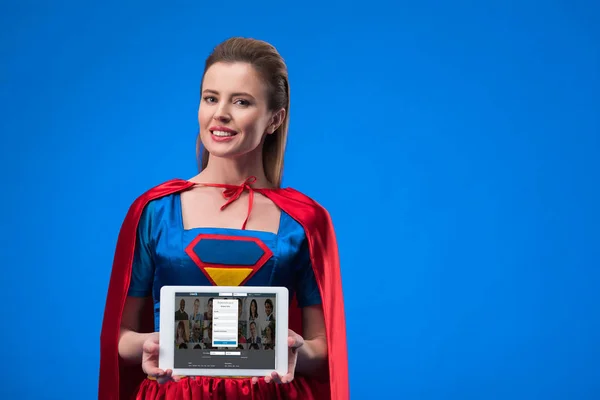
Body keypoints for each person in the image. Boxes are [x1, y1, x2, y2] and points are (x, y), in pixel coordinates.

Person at [99, 37, 348, 400]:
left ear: (274, 119)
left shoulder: (304, 220)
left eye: (242, 101)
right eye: (211, 98)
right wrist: (151, 345)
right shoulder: (156, 211)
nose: (220, 114)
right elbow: (120, 338)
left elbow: (324, 347)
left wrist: (294, 348)